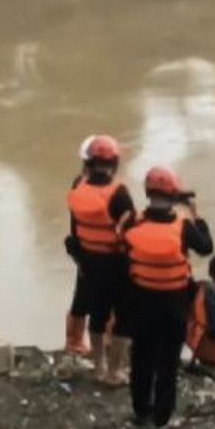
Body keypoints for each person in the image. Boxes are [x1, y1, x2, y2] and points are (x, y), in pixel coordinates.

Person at [123, 167, 213, 429]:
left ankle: (141, 411)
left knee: (141, 359)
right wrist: (195, 214)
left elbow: (124, 248)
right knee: (168, 363)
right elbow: (206, 247)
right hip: (174, 304)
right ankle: (162, 418)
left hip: (141, 302)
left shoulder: (133, 222)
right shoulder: (183, 227)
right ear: (174, 195)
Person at [65, 134, 136, 381]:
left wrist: (82, 260)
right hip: (115, 262)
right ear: (114, 163)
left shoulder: (78, 188)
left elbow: (75, 231)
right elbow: (131, 232)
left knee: (96, 314)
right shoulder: (119, 193)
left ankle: (98, 368)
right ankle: (115, 371)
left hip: (88, 262)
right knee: (123, 317)